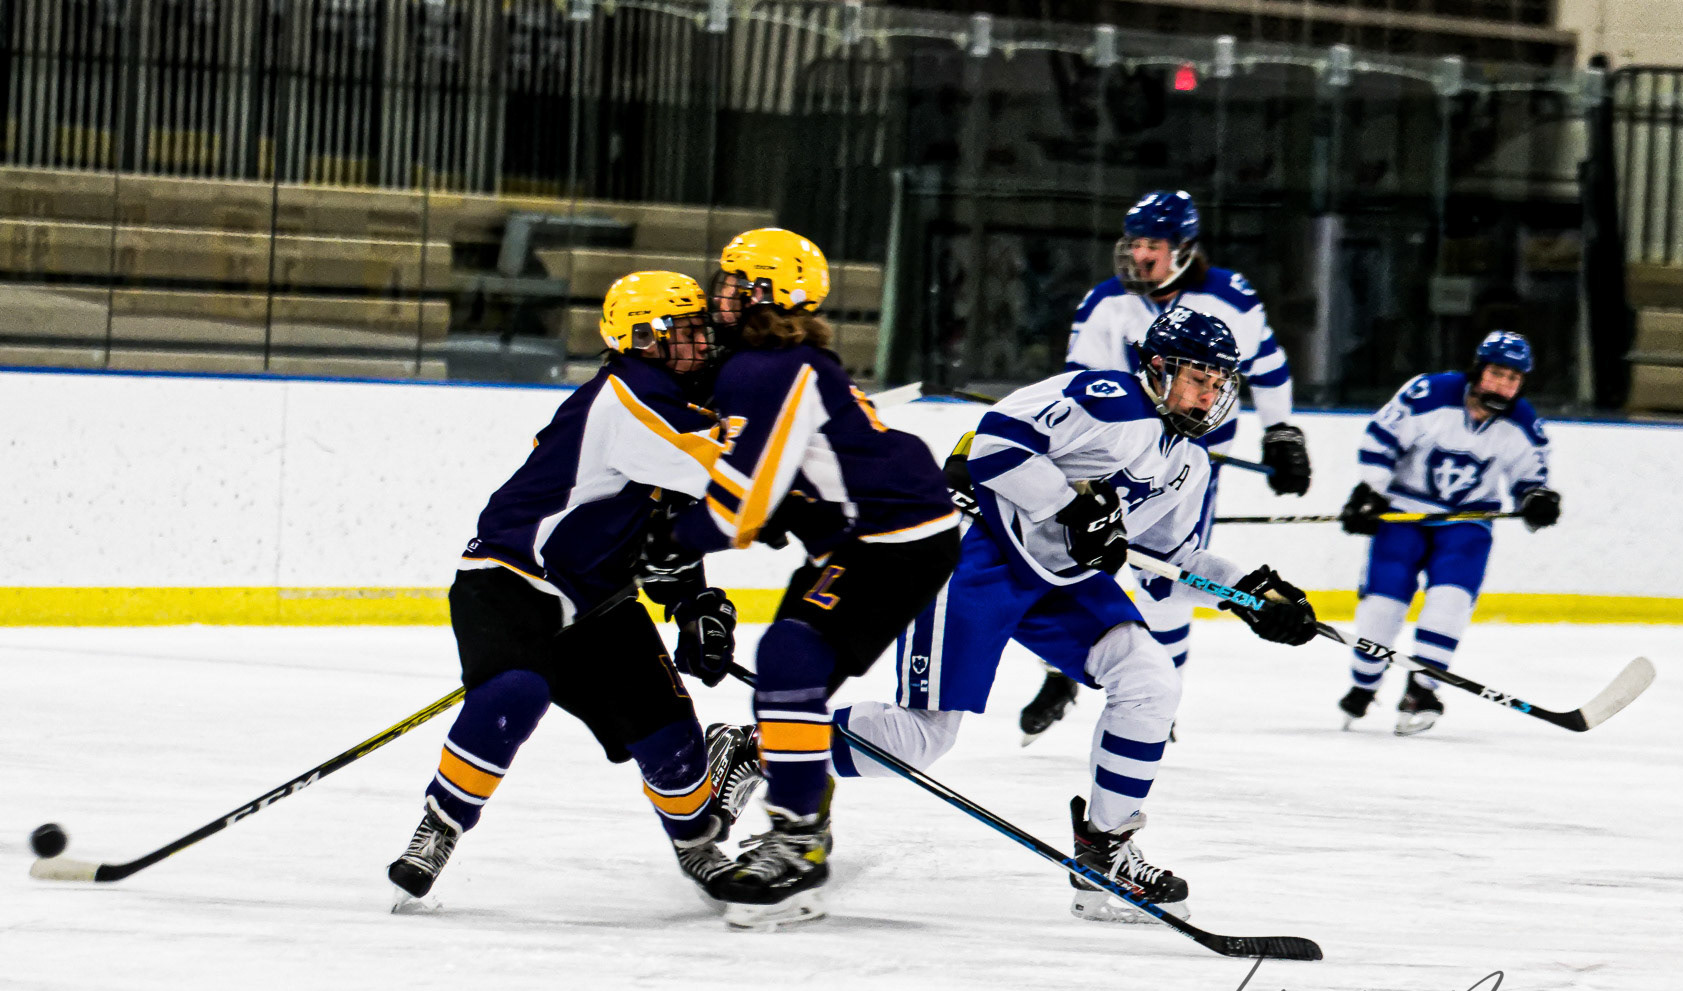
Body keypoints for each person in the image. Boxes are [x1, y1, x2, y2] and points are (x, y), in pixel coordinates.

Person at [822, 308, 1319, 924]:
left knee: (1149, 680)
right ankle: (763, 749)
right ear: (1158, 368)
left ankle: (1104, 851)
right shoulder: (1108, 400)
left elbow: (1169, 563)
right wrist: (1069, 505)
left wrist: (1247, 594)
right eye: (1198, 378)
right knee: (923, 738)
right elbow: (993, 444)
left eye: (1218, 384)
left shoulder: (1188, 463)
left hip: (1058, 577)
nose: (1208, 395)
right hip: (978, 551)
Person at [386, 271, 746, 909]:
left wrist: (692, 603)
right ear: (644, 339)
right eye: (685, 331)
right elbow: (723, 473)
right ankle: (440, 825)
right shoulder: (630, 397)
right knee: (516, 691)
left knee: (668, 734)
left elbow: (663, 525)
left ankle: (696, 842)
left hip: (596, 602)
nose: (701, 343)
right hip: (508, 578)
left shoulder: (670, 403)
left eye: (700, 329)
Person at [647, 227, 960, 929]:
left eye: (734, 284)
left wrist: (673, 543)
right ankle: (797, 825)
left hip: (898, 538)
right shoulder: (779, 362)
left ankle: (798, 843)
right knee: (792, 669)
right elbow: (781, 474)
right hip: (863, 536)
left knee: (791, 657)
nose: (720, 297)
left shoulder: (763, 368)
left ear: (766, 293)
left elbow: (742, 502)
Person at [1018, 190, 1311, 741]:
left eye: (1153, 244)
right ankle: (1060, 673)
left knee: (1167, 575)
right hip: (1107, 457)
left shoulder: (1230, 297)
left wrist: (1281, 431)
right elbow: (1077, 385)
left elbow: (1269, 367)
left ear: (1183, 248)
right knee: (1068, 558)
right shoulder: (1106, 302)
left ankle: (1161, 694)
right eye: (1134, 243)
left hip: (1189, 460)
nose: (1140, 255)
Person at [1336, 331, 1559, 735]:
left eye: (1513, 379)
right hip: (1403, 514)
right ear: (1478, 369)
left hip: (1466, 523)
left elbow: (1530, 479)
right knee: (1383, 605)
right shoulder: (1429, 394)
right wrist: (1370, 490)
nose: (1503, 386)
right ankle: (1364, 685)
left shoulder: (1524, 424)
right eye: (1496, 374)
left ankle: (1421, 691)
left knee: (1450, 601)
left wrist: (1536, 498)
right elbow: (1382, 439)